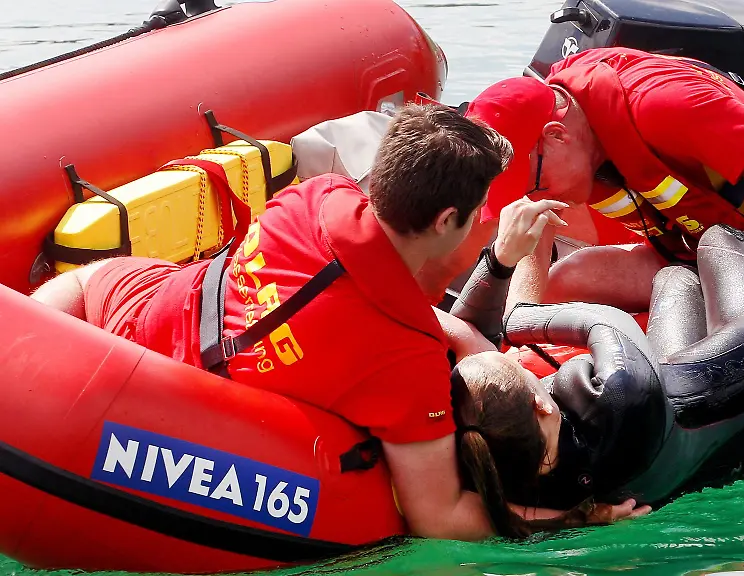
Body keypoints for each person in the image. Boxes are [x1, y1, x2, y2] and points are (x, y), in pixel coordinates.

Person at [31, 104, 647, 540]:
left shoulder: (316, 196)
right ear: (446, 221)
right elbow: (440, 519)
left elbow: (346, 294)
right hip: (148, 415)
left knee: (84, 286)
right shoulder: (402, 362)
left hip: (109, 304)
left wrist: (460, 332)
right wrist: (579, 519)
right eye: (479, 207)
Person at [420, 47, 744, 399]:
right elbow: (535, 240)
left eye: (534, 185)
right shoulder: (555, 132)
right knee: (564, 281)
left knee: (720, 275)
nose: (537, 198)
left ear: (556, 136)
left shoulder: (665, 103)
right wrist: (518, 338)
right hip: (681, 248)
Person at [445, 224, 744, 511]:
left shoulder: (506, 474)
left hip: (686, 441)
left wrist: (495, 265)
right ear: (540, 405)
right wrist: (517, 318)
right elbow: (603, 321)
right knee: (717, 239)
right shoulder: (619, 395)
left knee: (676, 280)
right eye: (518, 370)